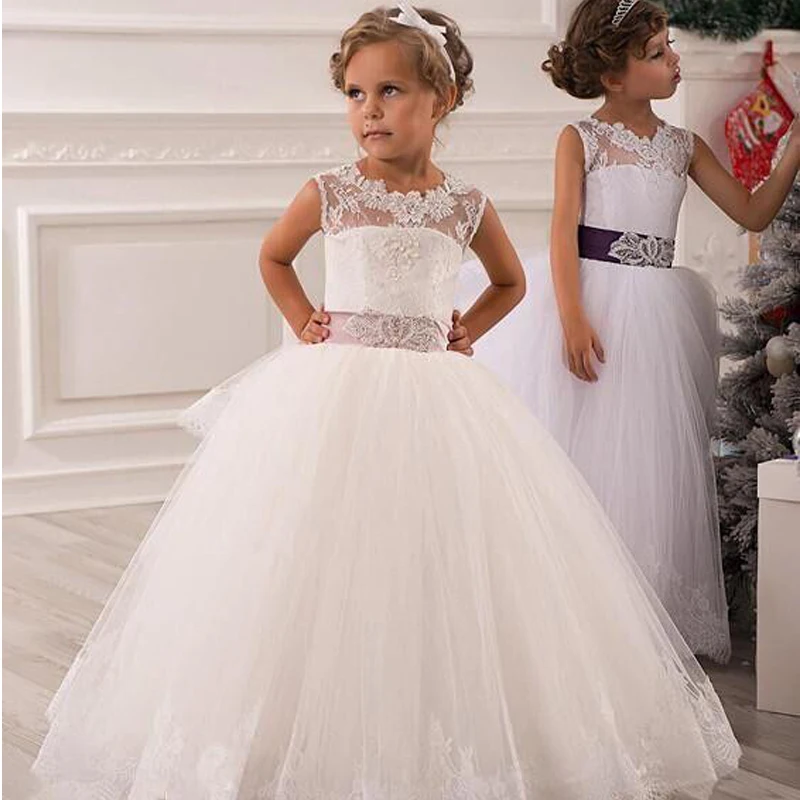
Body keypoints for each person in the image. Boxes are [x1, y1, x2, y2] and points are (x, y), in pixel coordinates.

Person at [31, 5, 740, 798]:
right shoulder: (331, 192)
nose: (369, 111)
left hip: (436, 391)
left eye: (391, 91)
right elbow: (273, 257)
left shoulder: (463, 204)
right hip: (333, 391)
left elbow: (511, 283)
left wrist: (464, 330)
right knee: (310, 547)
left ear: (442, 100)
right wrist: (303, 318)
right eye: (356, 94)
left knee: (436, 552)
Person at [461, 0, 800, 663]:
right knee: (586, 455)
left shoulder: (683, 146)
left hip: (658, 318)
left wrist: (792, 151)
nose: (674, 60)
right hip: (594, 303)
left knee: (649, 461)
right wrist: (571, 315)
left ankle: (641, 616)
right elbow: (563, 231)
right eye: (656, 54)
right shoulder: (580, 139)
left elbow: (753, 211)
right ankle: (577, 611)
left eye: (669, 47)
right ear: (613, 73)